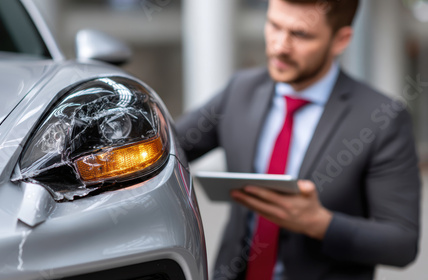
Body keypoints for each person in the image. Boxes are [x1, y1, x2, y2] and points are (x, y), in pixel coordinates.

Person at [176, 0, 421, 279]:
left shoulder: (382, 118)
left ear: (341, 40)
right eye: (274, 26)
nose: (279, 46)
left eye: (300, 34)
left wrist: (320, 224)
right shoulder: (240, 90)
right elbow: (170, 147)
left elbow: (401, 243)